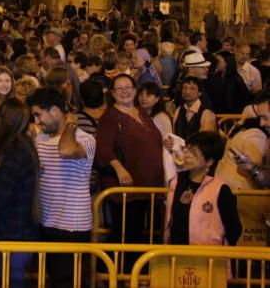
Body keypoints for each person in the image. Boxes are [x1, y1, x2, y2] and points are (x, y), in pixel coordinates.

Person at [28, 87, 96, 288]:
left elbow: (66, 150)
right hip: (46, 221)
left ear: (56, 111)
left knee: (67, 281)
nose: (37, 121)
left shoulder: (84, 139)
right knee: (51, 279)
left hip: (72, 225)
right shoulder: (40, 138)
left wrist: (71, 125)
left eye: (38, 114)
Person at [95, 73, 164, 259]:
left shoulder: (141, 111)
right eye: (120, 88)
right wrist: (119, 168)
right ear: (111, 92)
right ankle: (109, 272)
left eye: (129, 87)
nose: (125, 91)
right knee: (125, 233)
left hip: (146, 185)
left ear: (135, 90)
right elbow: (102, 148)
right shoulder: (110, 117)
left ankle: (132, 274)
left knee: (139, 233)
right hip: (126, 186)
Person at [0, 98, 39, 288]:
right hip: (17, 231)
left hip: (14, 234)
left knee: (9, 281)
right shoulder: (24, 148)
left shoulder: (15, 154)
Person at [165, 131, 242, 246]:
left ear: (209, 161)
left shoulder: (220, 190)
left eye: (194, 152)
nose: (187, 155)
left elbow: (234, 230)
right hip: (175, 254)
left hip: (208, 258)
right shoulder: (176, 182)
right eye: (186, 149)